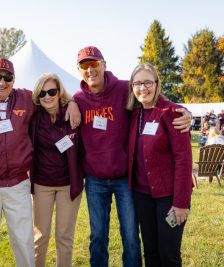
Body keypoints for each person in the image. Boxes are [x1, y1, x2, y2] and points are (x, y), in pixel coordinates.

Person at [73, 46, 191, 267]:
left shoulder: (123, 89)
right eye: (84, 65)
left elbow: (154, 99)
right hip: (101, 181)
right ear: (79, 69)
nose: (90, 70)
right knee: (99, 236)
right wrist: (69, 103)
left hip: (125, 180)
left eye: (94, 64)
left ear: (104, 65)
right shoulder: (78, 99)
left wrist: (185, 111)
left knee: (132, 238)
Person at [0, 58, 80, 267]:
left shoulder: (26, 99)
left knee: (24, 243)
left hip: (18, 185)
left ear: (14, 79)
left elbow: (50, 97)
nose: (2, 82)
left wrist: (73, 103)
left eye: (8, 77)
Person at [127, 63, 193, 266]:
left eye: (148, 82)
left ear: (157, 84)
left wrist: (181, 203)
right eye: (137, 83)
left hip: (169, 197)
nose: (143, 88)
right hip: (142, 196)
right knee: (151, 253)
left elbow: (184, 159)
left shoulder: (172, 112)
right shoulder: (134, 114)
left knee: (168, 255)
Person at [30, 73, 83, 267]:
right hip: (42, 184)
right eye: (42, 93)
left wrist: (73, 102)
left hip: (68, 185)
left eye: (52, 91)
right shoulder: (33, 116)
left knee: (64, 238)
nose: (47, 96)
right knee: (40, 236)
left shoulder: (73, 113)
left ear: (59, 92)